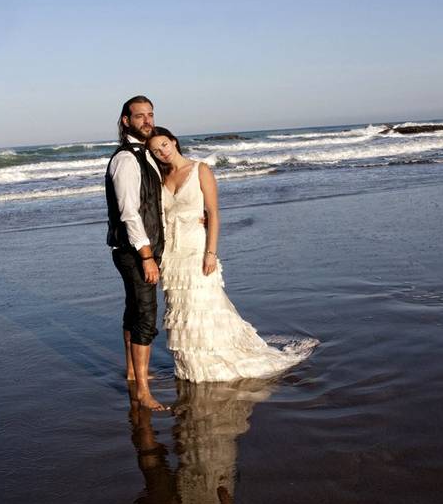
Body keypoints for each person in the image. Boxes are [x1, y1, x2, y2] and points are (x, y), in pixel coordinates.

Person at [146, 127, 318, 382]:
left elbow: (213, 213)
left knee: (203, 304)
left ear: (173, 141)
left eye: (164, 145)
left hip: (196, 247)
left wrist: (211, 253)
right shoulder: (160, 178)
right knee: (180, 309)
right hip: (172, 253)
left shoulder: (199, 169)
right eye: (156, 151)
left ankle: (213, 361)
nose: (162, 152)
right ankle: (192, 364)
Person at [106, 96, 168, 411]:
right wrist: (147, 255)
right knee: (145, 315)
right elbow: (129, 212)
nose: (146, 120)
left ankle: (134, 374)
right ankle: (143, 392)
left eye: (150, 114)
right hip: (135, 252)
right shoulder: (126, 160)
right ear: (126, 121)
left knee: (134, 311)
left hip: (140, 249)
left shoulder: (145, 155)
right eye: (139, 116)